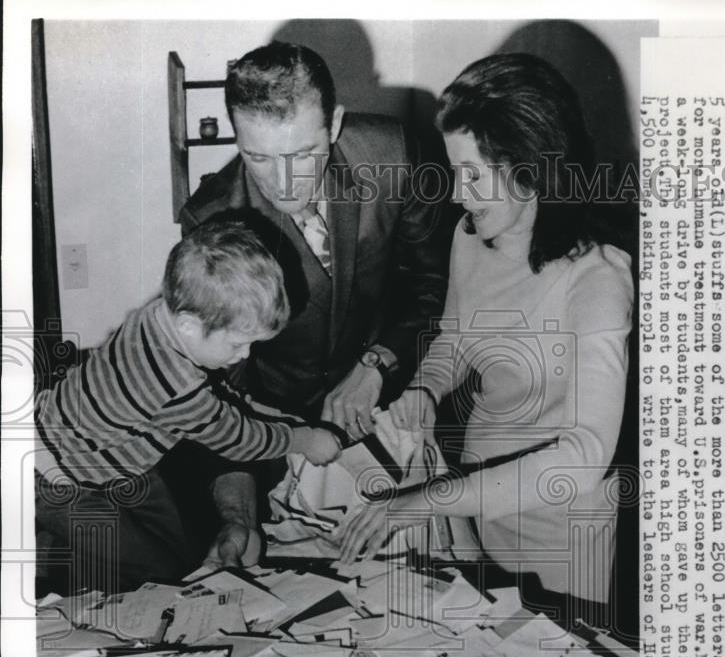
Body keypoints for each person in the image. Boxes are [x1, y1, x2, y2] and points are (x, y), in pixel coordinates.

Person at [340, 53, 634, 616]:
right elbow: (454, 335)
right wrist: (425, 388)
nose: (456, 193)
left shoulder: (597, 276)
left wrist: (419, 503)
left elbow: (584, 456)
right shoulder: (469, 236)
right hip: (474, 511)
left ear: (530, 167)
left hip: (560, 541)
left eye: (471, 174)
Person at [179, 41, 449, 571]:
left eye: (302, 154)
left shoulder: (393, 155)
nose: (284, 184)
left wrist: (377, 365)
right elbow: (220, 394)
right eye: (258, 157)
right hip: (286, 450)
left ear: (335, 123)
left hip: (400, 417)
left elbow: (433, 288)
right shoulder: (213, 220)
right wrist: (239, 516)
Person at [35, 220, 341, 595]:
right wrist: (304, 439)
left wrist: (272, 416)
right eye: (237, 344)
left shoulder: (159, 315)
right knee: (156, 575)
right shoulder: (172, 383)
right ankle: (50, 550)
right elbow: (239, 440)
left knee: (183, 554)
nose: (243, 355)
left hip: (109, 454)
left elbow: (218, 397)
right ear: (189, 325)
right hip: (62, 482)